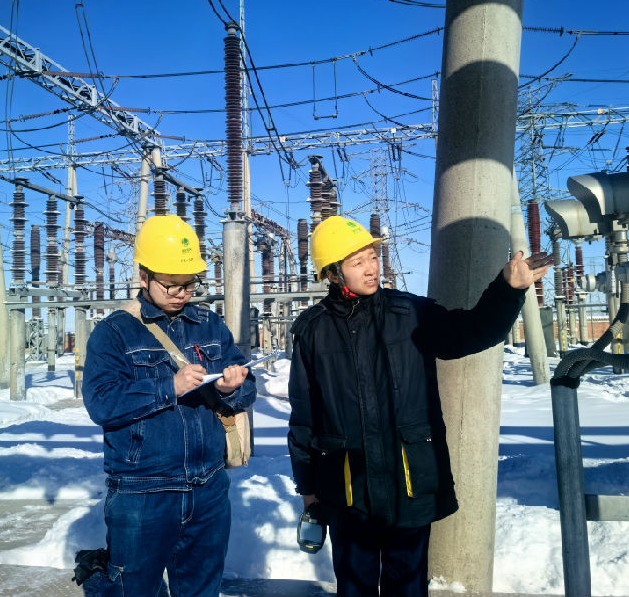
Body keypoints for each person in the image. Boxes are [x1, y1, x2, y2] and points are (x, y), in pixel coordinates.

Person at [287, 215, 551, 596]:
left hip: (408, 480)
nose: (371, 268)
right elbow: (304, 415)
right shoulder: (312, 330)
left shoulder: (409, 312)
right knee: (354, 586)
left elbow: (470, 332)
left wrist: (507, 289)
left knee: (408, 585)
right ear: (331, 273)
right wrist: (308, 487)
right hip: (347, 489)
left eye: (372, 256)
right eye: (358, 262)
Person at [82, 214, 256, 597]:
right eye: (171, 283)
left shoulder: (209, 325)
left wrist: (232, 388)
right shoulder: (114, 332)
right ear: (143, 276)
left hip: (208, 487)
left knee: (202, 591)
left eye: (189, 283)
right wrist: (168, 387)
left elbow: (247, 388)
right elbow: (101, 403)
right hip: (143, 492)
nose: (181, 293)